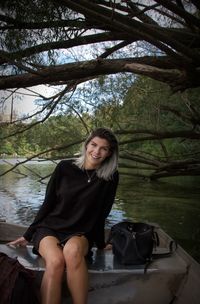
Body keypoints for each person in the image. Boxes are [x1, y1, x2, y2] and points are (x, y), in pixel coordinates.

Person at [8, 127, 119, 304]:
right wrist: (28, 235)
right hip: (49, 228)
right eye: (94, 144)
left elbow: (101, 213)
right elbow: (48, 204)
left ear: (109, 153)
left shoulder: (110, 178)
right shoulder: (65, 167)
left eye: (103, 148)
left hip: (80, 232)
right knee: (56, 261)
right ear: (86, 145)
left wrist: (100, 243)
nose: (96, 151)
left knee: (72, 251)